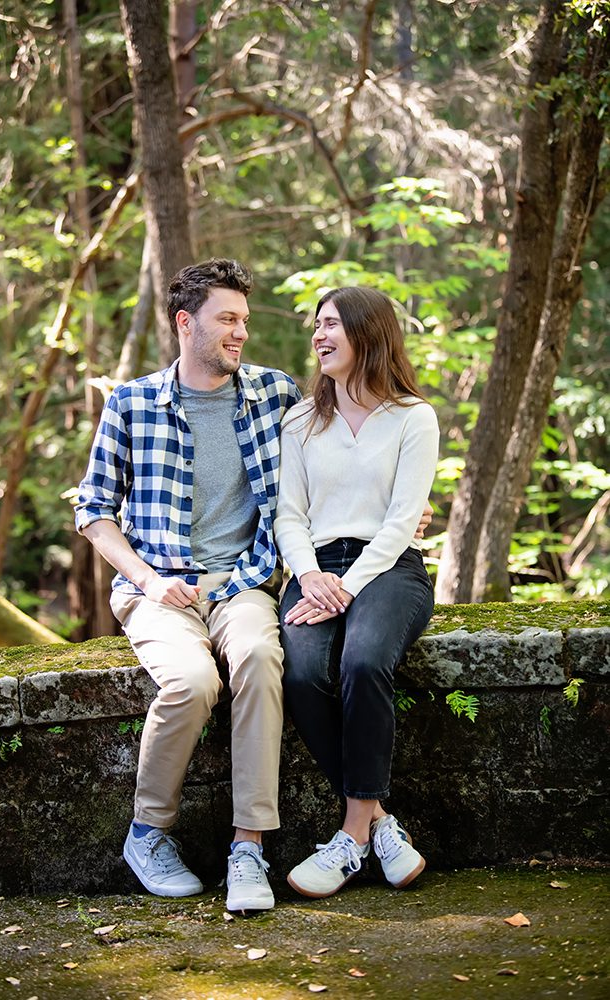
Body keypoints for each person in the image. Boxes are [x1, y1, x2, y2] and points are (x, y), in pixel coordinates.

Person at [75, 258, 301, 912]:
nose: (239, 333)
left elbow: (333, 459)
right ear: (185, 322)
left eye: (244, 321)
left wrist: (403, 504)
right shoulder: (132, 402)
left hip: (243, 582)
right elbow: (93, 510)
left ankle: (248, 848)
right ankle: (147, 833)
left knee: (259, 658)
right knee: (194, 681)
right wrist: (146, 577)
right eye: (226, 319)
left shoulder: (275, 394)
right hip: (155, 588)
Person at [274, 285, 439, 899]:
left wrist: (345, 586)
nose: (319, 336)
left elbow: (402, 520)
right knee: (302, 672)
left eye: (332, 326)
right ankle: (381, 822)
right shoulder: (300, 421)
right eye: (316, 326)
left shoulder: (413, 418)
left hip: (390, 569)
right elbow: (289, 514)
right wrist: (311, 575)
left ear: (368, 333)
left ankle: (349, 837)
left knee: (365, 661)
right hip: (314, 570)